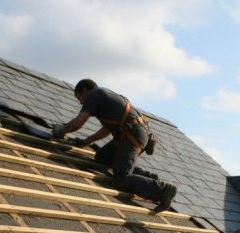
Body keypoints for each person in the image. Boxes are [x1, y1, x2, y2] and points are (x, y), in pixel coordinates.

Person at [51, 79, 177, 212]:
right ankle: (148, 178)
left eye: (79, 98)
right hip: (131, 133)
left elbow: (78, 122)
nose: (81, 102)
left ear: (84, 91)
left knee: (120, 179)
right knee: (102, 157)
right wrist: (86, 141)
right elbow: (106, 130)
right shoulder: (105, 97)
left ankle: (164, 190)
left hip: (132, 136)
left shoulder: (94, 95)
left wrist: (61, 130)